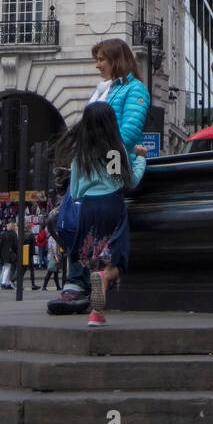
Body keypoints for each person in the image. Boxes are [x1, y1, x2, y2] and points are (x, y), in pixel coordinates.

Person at [47, 38, 150, 316]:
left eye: (102, 59)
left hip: (108, 166)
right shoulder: (102, 90)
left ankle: (79, 284)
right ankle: (87, 284)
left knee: (83, 229)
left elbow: (128, 130)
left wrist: (99, 156)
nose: (98, 64)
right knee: (67, 223)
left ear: (117, 60)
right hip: (109, 176)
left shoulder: (134, 89)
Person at [50, 102, 143, 326]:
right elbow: (130, 181)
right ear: (111, 123)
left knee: (89, 255)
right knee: (116, 258)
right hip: (113, 204)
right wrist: (141, 158)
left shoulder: (81, 154)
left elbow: (78, 190)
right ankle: (104, 279)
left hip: (89, 207)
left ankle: (96, 313)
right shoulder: (115, 149)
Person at [0, 223, 17, 289]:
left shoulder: (4, 234)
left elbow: (1, 245)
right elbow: (15, 245)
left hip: (4, 253)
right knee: (8, 268)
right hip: (10, 254)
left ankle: (5, 282)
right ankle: (4, 283)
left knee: (6, 268)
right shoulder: (14, 234)